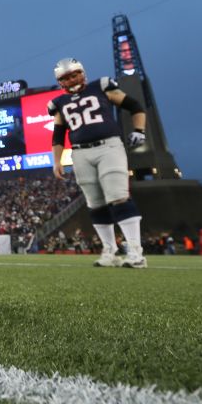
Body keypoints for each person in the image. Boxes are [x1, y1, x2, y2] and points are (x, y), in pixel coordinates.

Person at [48, 58, 148, 268]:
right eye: (66, 77)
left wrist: (139, 131)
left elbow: (135, 106)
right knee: (95, 204)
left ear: (82, 73)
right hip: (80, 153)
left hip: (108, 147)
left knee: (118, 197)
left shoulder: (101, 86)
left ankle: (136, 253)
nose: (72, 79)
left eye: (74, 74)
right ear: (60, 82)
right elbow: (58, 136)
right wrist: (57, 161)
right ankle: (109, 251)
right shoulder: (59, 103)